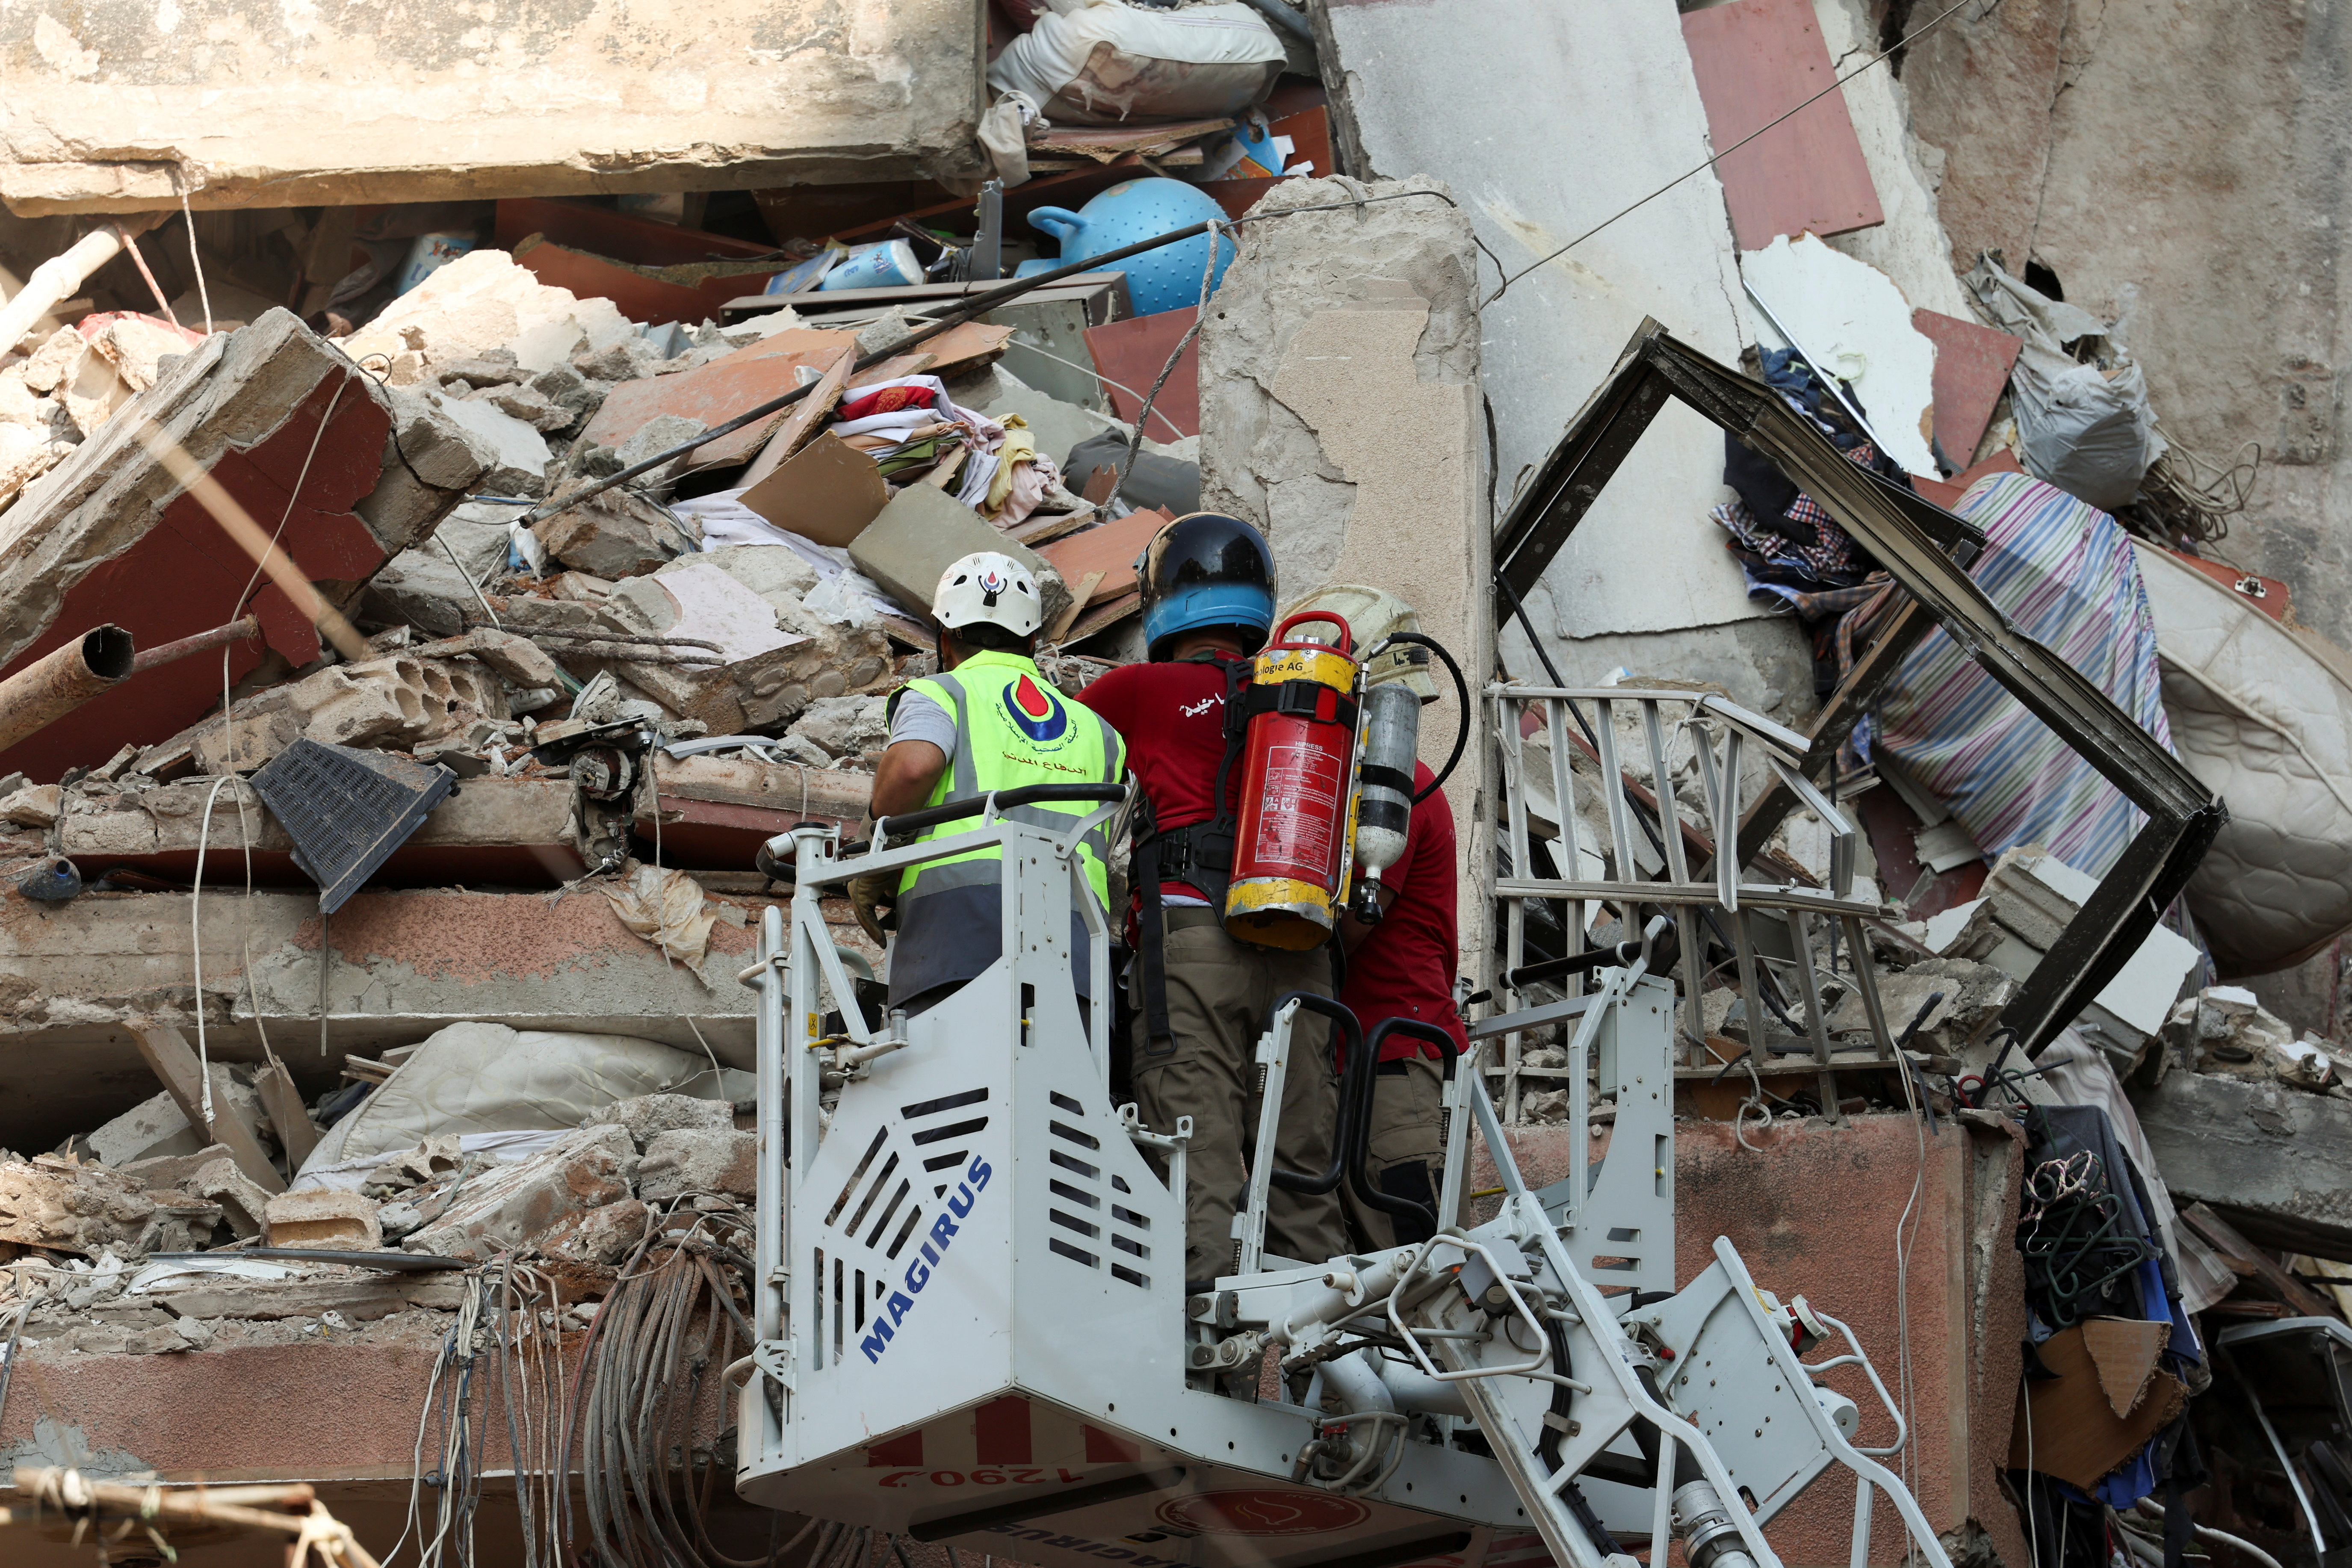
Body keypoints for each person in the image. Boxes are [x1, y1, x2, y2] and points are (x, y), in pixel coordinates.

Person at [1076, 514, 1347, 1289]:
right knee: (1300, 1157)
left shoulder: (1139, 688)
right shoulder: (1301, 702)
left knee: (1193, 1145)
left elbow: (1061, 762)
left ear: (1162, 600)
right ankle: (1325, 1371)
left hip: (1193, 937)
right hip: (1301, 936)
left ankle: (1196, 1365)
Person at [1276, 586, 1470, 1253]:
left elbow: (1343, 931)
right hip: (1354, 1059)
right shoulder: (1350, 782)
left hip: (1393, 1065)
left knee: (1423, 1283)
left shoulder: (1397, 788)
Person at [856, 551, 1126, 1017]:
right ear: (1033, 639)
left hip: (959, 936)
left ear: (945, 637)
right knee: (1058, 1086)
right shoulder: (1101, 732)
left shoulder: (942, 694)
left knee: (958, 1086)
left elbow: (911, 769)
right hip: (1077, 949)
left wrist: (875, 857)